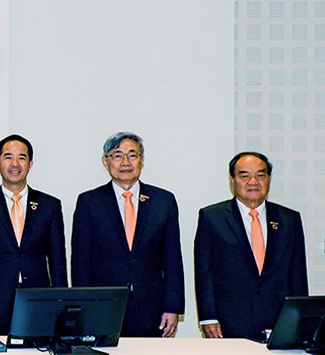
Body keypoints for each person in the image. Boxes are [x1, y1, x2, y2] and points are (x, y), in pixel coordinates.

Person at [71, 132, 184, 337]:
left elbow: (173, 259)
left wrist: (173, 307)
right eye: (117, 155)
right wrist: (83, 307)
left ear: (142, 160)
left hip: (152, 308)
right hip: (103, 306)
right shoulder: (89, 202)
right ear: (105, 162)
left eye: (132, 155)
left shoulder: (163, 201)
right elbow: (81, 261)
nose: (125, 162)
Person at [194, 151, 308, 341]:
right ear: (232, 180)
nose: (253, 182)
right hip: (229, 320)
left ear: (269, 179)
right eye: (244, 175)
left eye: (260, 175)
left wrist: (300, 318)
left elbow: (298, 275)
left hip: (278, 319)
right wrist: (208, 318)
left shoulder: (289, 219)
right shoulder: (212, 217)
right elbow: (204, 273)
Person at [0, 134, 66, 336]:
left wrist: (60, 302)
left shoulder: (49, 206)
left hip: (38, 302)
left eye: (22, 158)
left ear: (30, 164)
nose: (15, 164)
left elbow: (57, 261)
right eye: (8, 157)